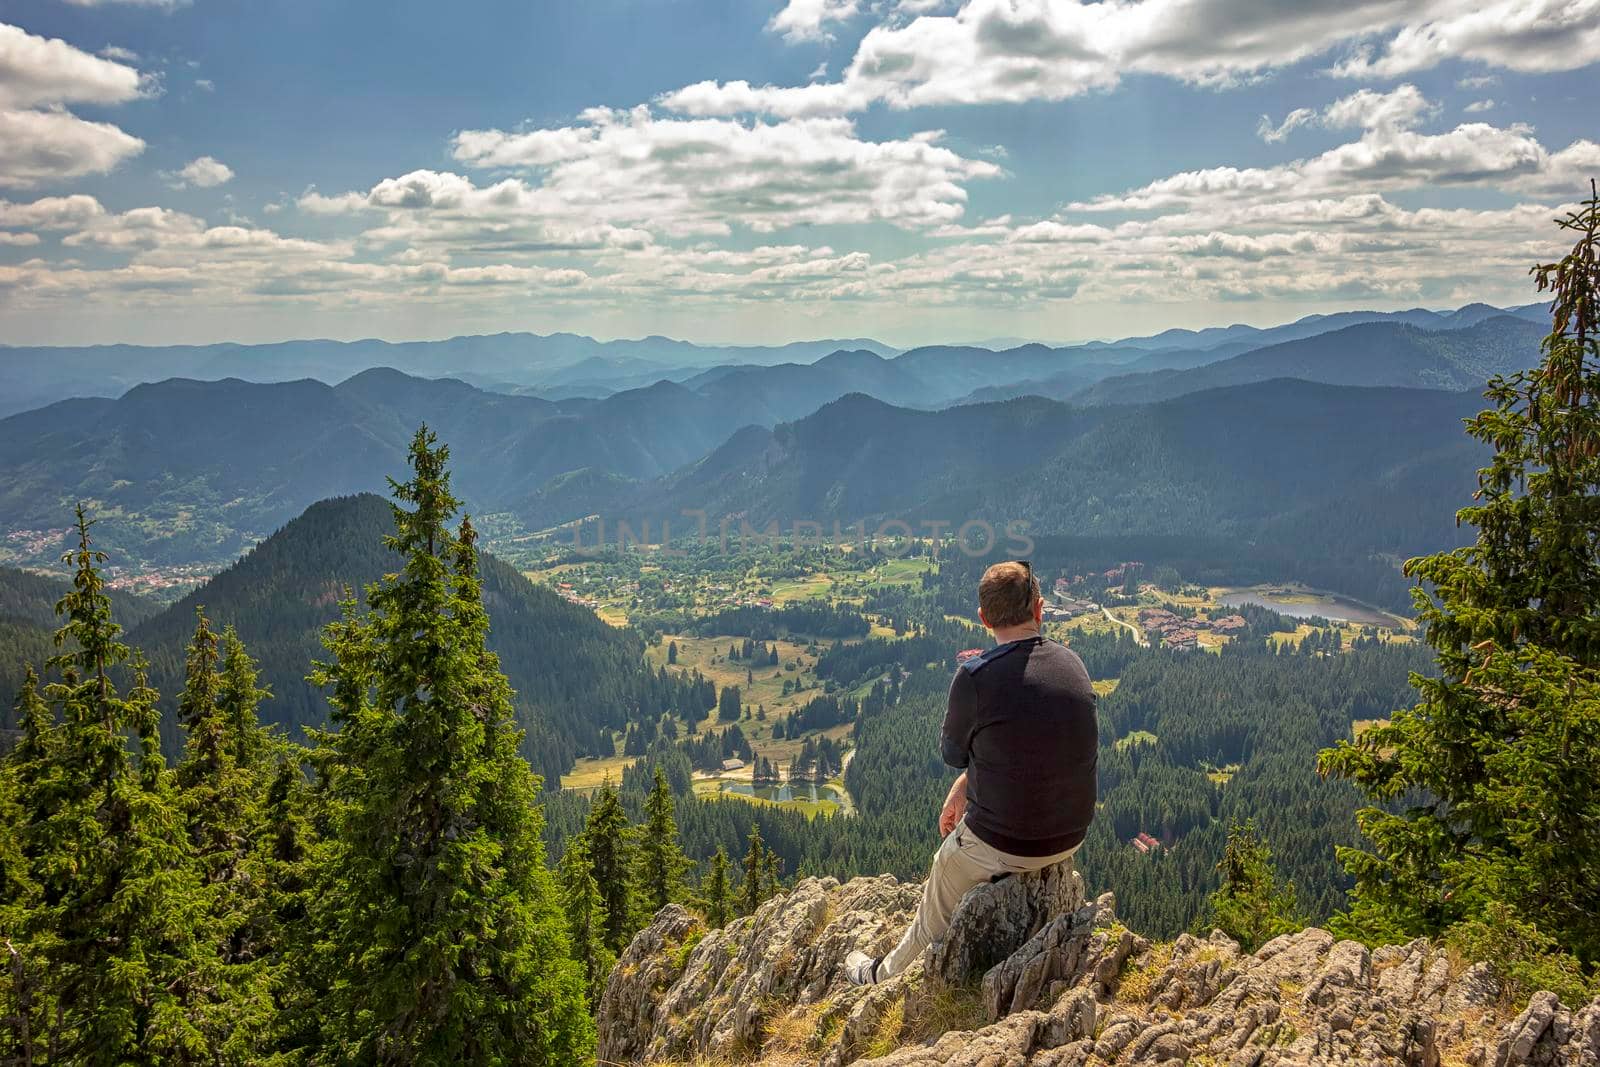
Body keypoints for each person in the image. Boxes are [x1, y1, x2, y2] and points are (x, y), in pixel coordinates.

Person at [845, 560, 1098, 985]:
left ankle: (881, 977)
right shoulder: (1073, 665)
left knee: (934, 907)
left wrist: (964, 778)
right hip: (1070, 838)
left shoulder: (975, 677)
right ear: (1039, 609)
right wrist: (966, 786)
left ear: (983, 619)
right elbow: (1036, 747)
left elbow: (953, 753)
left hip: (1004, 843)